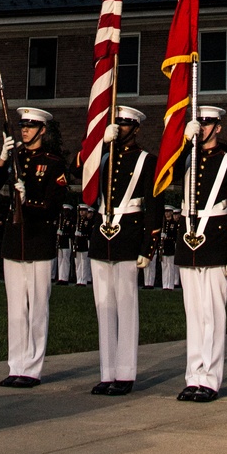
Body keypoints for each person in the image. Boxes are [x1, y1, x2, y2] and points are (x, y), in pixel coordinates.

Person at [0, 106, 68, 387]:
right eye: (23, 126)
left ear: (42, 130)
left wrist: (27, 197)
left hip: (37, 240)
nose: (26, 130)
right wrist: (2, 157)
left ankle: (32, 368)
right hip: (14, 240)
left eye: (31, 126)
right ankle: (15, 365)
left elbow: (55, 204)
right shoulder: (15, 157)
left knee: (37, 308)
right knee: (16, 309)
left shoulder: (54, 161)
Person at [88, 106, 163, 396]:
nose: (119, 129)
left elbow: (153, 207)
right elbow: (77, 171)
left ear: (136, 129)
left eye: (124, 125)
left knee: (126, 305)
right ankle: (107, 372)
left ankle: (125, 373)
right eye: (116, 124)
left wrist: (149, 245)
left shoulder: (147, 160)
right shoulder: (103, 157)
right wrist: (97, 146)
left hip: (129, 236)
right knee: (104, 306)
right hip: (102, 236)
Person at [175, 106, 227, 402]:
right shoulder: (188, 159)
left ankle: (211, 379)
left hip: (216, 241)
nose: (202, 129)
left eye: (207, 124)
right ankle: (193, 376)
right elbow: (165, 179)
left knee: (213, 314)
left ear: (218, 128)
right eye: (198, 124)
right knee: (193, 314)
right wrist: (181, 146)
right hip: (188, 242)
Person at [160, 207, 180, 290]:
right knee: (164, 266)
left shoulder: (174, 224)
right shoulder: (163, 223)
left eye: (168, 212)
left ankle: (170, 285)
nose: (167, 214)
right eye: (166, 212)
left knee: (171, 266)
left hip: (170, 246)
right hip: (163, 246)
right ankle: (165, 285)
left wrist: (168, 237)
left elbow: (175, 236)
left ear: (171, 213)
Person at [74, 204, 93, 285]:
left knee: (84, 262)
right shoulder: (78, 221)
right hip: (78, 241)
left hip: (84, 241)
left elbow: (89, 232)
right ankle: (79, 279)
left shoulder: (88, 221)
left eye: (83, 211)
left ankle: (84, 280)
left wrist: (82, 233)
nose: (81, 212)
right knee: (78, 262)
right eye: (80, 211)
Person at [55, 203, 74, 283]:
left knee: (65, 259)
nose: (64, 213)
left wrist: (63, 232)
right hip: (61, 240)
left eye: (66, 211)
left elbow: (71, 231)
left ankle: (65, 278)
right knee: (60, 259)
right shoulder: (61, 220)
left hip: (67, 240)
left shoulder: (70, 220)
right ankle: (60, 277)